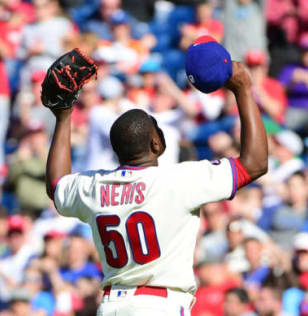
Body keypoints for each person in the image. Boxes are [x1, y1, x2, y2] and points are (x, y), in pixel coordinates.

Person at [45, 53, 268, 316]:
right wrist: (243, 88)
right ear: (156, 143)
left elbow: (57, 185)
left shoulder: (95, 186)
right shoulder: (178, 181)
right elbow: (255, 163)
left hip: (112, 306)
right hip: (160, 305)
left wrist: (63, 117)